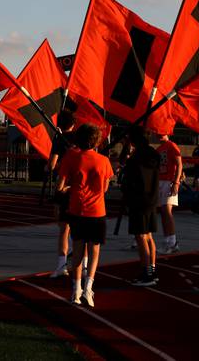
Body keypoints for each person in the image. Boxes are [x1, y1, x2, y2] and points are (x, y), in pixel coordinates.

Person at [58, 124, 113, 307]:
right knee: (94, 250)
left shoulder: (71, 158)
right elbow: (105, 188)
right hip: (97, 211)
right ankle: (89, 287)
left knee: (78, 251)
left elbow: (61, 185)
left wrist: (71, 188)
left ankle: (76, 289)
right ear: (96, 140)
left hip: (77, 210)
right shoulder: (104, 160)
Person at [121, 127, 161, 286]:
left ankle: (146, 273)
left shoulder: (135, 158)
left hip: (138, 200)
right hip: (151, 199)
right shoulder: (153, 154)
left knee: (140, 237)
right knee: (149, 236)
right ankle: (151, 269)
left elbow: (127, 177)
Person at [48, 110, 77, 278]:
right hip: (81, 186)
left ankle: (61, 265)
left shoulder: (59, 140)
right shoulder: (80, 138)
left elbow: (52, 165)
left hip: (65, 186)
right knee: (80, 228)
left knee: (64, 227)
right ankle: (84, 265)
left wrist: (49, 166)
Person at [156, 133, 182, 254]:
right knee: (163, 212)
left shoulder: (172, 146)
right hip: (161, 181)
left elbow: (179, 164)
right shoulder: (158, 149)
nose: (158, 134)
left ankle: (173, 242)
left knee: (167, 211)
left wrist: (176, 182)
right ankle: (167, 240)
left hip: (169, 181)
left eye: (162, 132)